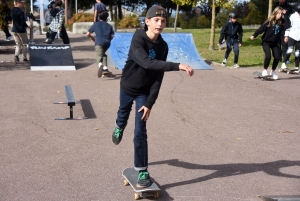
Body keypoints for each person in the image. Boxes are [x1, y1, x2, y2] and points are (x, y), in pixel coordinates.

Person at [111, 6, 194, 189]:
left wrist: (150, 103)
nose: (160, 24)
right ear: (147, 21)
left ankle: (142, 170)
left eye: (163, 21)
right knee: (123, 113)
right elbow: (147, 63)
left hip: (144, 92)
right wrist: (178, 65)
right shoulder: (138, 38)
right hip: (127, 86)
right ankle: (119, 126)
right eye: (156, 20)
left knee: (140, 130)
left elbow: (158, 76)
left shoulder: (163, 46)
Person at [250, 7, 285, 80]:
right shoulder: (269, 21)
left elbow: (288, 24)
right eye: (278, 14)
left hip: (275, 43)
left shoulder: (282, 22)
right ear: (275, 14)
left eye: (281, 14)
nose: (280, 15)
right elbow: (261, 29)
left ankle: (273, 71)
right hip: (266, 42)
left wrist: (286, 13)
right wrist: (254, 35)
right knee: (268, 56)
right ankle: (265, 70)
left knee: (277, 57)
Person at [86, 11, 114, 77]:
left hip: (98, 42)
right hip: (107, 43)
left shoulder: (96, 24)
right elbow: (112, 36)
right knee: (103, 54)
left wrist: (92, 38)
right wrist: (108, 40)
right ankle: (105, 69)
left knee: (99, 55)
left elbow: (88, 33)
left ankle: (100, 65)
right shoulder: (109, 26)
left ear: (98, 17)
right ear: (107, 17)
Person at [281, 3, 300, 70]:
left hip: (299, 37)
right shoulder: (292, 16)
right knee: (290, 50)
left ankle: (297, 66)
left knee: (298, 52)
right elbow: (288, 26)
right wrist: (286, 36)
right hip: (292, 35)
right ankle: (284, 63)